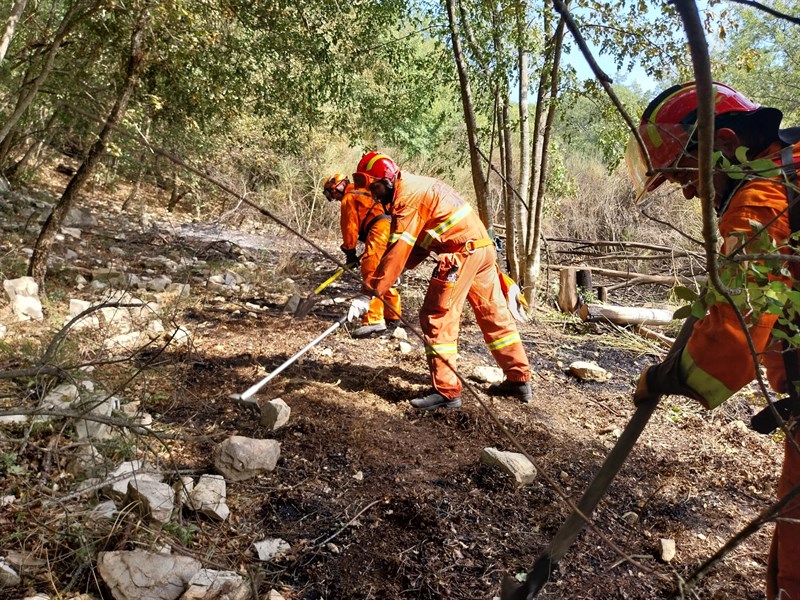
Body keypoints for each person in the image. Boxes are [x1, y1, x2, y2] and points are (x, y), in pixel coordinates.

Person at [626, 81, 800, 599]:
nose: (687, 191)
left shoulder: (764, 195)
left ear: (724, 144)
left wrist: (667, 377)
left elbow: (736, 332)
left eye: (685, 173)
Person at [347, 152, 532, 410]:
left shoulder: (406, 198)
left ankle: (446, 392)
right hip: (481, 249)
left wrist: (369, 293)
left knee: (438, 315)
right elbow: (422, 241)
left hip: (461, 254)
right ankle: (518, 378)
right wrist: (399, 269)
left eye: (376, 187)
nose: (375, 195)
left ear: (388, 178)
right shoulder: (417, 187)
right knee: (494, 314)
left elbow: (398, 248)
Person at [323, 171, 402, 337]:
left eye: (332, 193)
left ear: (337, 186)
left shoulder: (349, 197)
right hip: (392, 229)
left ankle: (373, 321)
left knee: (371, 271)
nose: (334, 198)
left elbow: (349, 227)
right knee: (385, 273)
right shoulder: (365, 190)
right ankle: (392, 317)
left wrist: (350, 251)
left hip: (379, 229)